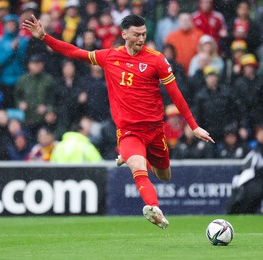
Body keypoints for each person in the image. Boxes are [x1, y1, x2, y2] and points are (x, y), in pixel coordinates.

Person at [23, 14, 213, 229]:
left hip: (155, 130)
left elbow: (176, 94)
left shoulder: (157, 59)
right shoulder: (109, 56)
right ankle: (155, 209)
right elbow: (74, 52)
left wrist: (194, 126)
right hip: (129, 131)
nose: (141, 39)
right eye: (136, 34)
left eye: (144, 34)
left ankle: (134, 156)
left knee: (164, 175)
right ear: (124, 34)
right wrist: (44, 37)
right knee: (138, 169)